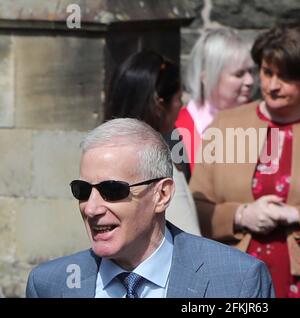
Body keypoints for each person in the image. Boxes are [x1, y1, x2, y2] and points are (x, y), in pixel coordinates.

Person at [189, 22, 300, 298]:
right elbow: (195, 207)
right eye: (267, 73)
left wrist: (298, 215)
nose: (272, 86)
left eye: (286, 78)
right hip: (233, 279)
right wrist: (242, 215)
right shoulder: (226, 125)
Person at [26, 118, 274, 298]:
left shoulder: (237, 280)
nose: (91, 208)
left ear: (162, 195)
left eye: (112, 190)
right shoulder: (50, 284)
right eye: (82, 190)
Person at [104, 50, 199, 235]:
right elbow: (189, 240)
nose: (181, 105)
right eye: (178, 99)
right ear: (158, 105)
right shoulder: (159, 169)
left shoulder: (100, 152)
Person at [175, 28, 255, 172]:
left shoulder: (261, 121)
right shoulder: (178, 128)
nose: (249, 81)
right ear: (207, 76)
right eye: (239, 74)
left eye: (251, 71)